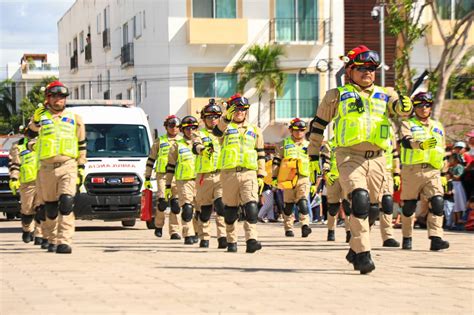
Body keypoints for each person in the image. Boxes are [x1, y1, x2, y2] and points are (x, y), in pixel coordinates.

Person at [307, 45, 413, 274]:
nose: (368, 72)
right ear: (350, 71)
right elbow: (318, 126)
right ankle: (364, 254)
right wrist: (313, 155)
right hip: (348, 156)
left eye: (372, 68)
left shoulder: (387, 93)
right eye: (362, 68)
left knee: (374, 209)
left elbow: (400, 109)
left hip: (378, 159)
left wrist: (405, 106)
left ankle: (354, 249)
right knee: (360, 200)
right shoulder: (335, 95)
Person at [28, 80, 86, 254]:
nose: (58, 100)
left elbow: (82, 144)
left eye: (61, 96)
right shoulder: (40, 118)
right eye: (54, 96)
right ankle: (50, 237)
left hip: (68, 165)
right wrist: (36, 121)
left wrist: (81, 167)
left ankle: (64, 241)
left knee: (67, 203)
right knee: (50, 208)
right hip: (46, 168)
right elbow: (29, 136)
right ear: (48, 98)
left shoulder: (75, 119)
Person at [212, 93, 265, 253]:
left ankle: (251, 240)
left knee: (251, 207)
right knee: (230, 211)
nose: (239, 112)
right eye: (236, 109)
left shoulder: (254, 130)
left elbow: (260, 152)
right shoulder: (225, 128)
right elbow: (216, 133)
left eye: (242, 109)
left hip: (249, 172)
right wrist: (225, 118)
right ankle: (232, 241)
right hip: (229, 174)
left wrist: (261, 175)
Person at [399, 91, 449, 251]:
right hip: (412, 169)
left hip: (433, 170)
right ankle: (407, 236)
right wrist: (420, 145)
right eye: (420, 105)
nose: (423, 108)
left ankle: (436, 238)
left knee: (438, 202)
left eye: (427, 105)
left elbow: (443, 149)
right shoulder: (408, 124)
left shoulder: (438, 126)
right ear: (414, 107)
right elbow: (406, 141)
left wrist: (443, 174)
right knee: (409, 206)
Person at [192, 100, 227, 248]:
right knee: (205, 210)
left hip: (221, 175)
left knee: (221, 206)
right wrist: (202, 150)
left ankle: (223, 237)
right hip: (204, 177)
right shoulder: (198, 133)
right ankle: (204, 236)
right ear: (204, 119)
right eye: (209, 117)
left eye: (215, 117)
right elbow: (195, 146)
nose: (212, 120)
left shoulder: (225, 133)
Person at [272, 118, 312, 238]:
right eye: (296, 130)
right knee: (288, 205)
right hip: (288, 178)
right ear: (291, 130)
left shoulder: (309, 146)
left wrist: (315, 182)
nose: (299, 132)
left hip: (303, 177)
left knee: (303, 202)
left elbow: (314, 165)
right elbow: (276, 161)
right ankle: (288, 227)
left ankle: (305, 225)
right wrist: (274, 177)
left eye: (302, 130)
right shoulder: (283, 144)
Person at [144, 115, 182, 240]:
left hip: (178, 177)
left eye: (177, 126)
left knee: (176, 205)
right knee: (162, 203)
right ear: (166, 126)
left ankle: (174, 231)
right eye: (171, 126)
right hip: (163, 176)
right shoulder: (160, 141)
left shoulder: (183, 141)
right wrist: (147, 177)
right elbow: (151, 159)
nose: (174, 128)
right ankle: (158, 226)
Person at [166, 116, 199, 245]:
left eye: (193, 128)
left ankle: (196, 231)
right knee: (187, 209)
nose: (190, 131)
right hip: (183, 181)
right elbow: (170, 167)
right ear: (182, 130)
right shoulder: (176, 146)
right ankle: (188, 233)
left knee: (199, 210)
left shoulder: (203, 143)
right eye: (187, 128)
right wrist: (168, 185)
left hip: (200, 180)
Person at [8, 132, 44, 244]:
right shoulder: (18, 146)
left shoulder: (45, 144)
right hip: (26, 183)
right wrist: (14, 179)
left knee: (41, 209)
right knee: (27, 210)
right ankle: (27, 230)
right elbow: (15, 165)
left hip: (43, 182)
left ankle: (39, 234)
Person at [374, 127, 400, 247]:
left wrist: (396, 173)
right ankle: (361, 235)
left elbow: (394, 153)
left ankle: (388, 236)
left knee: (387, 203)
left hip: (387, 172)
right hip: (370, 171)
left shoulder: (389, 129)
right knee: (369, 206)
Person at [319, 140, 351, 242]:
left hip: (347, 177)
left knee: (348, 206)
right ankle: (331, 231)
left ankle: (349, 232)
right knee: (333, 207)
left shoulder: (351, 141)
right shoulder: (330, 144)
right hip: (333, 178)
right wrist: (326, 172)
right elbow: (325, 160)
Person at [449, 153, 467, 227]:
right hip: (453, 185)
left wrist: (450, 175)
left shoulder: (459, 167)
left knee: (458, 204)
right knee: (455, 204)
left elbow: (458, 177)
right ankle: (454, 222)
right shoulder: (452, 167)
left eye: (451, 158)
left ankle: (458, 221)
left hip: (457, 186)